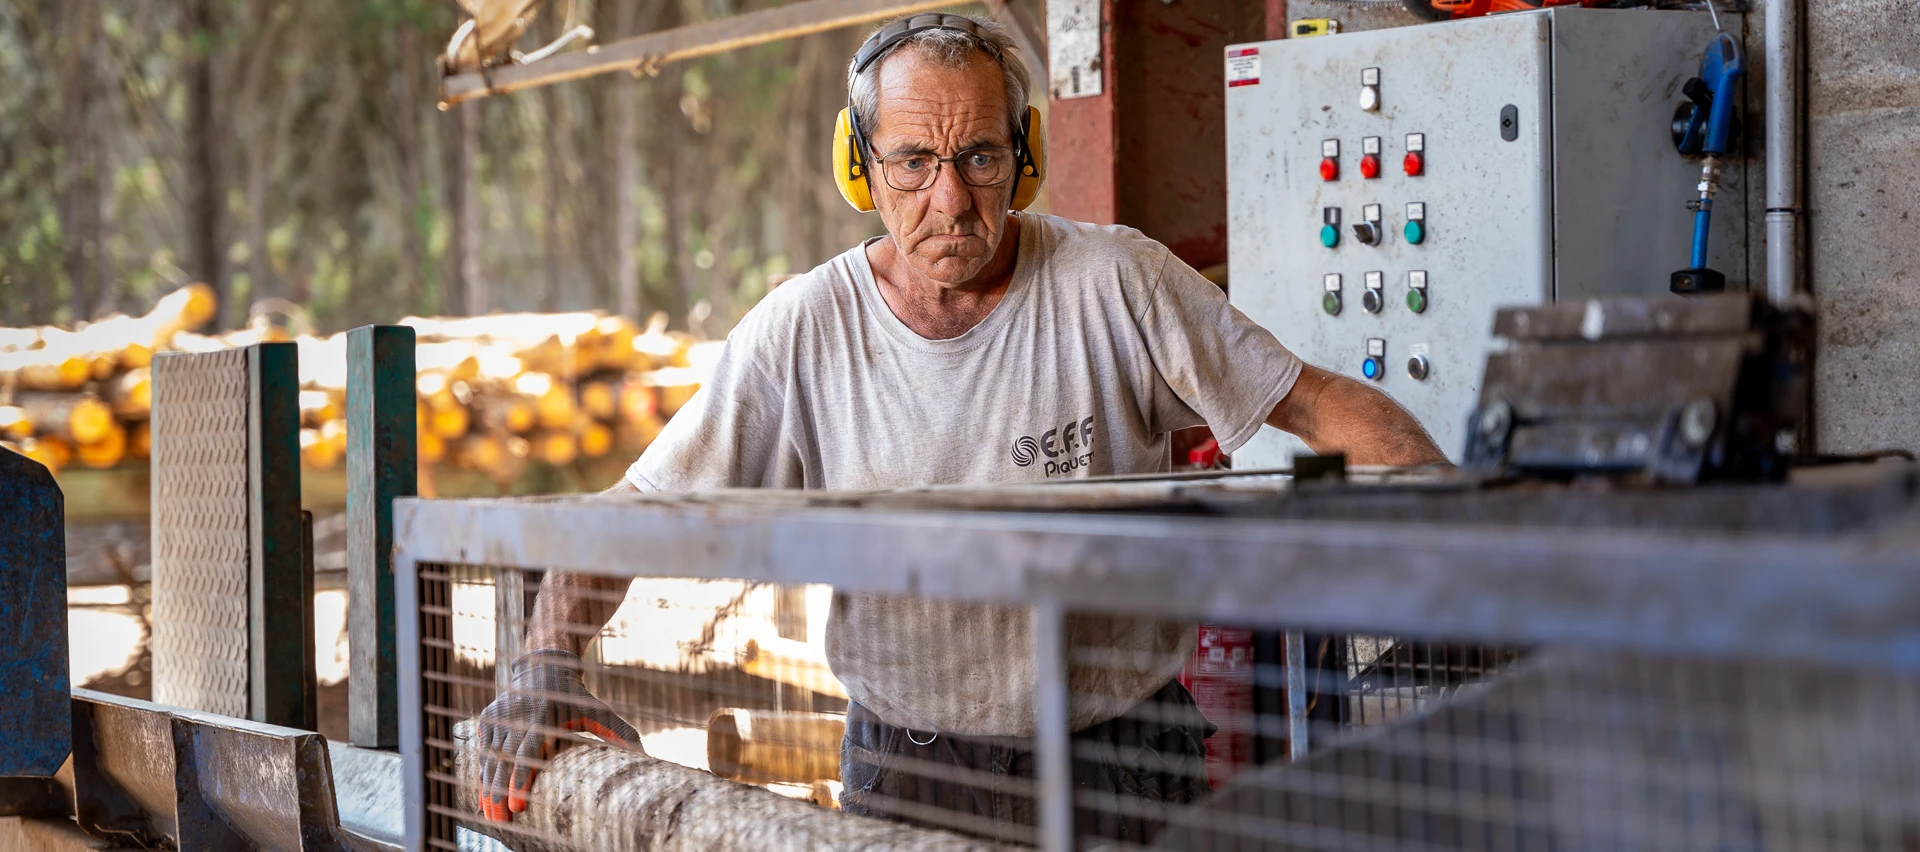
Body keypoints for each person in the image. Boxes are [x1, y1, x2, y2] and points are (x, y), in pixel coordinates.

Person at [474, 12, 1446, 843]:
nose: (950, 198)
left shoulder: (1117, 283)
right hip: (908, 772)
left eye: (979, 156)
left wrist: (1478, 544)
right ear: (863, 170)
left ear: (1021, 159)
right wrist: (545, 662)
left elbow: (1313, 400)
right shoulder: (806, 328)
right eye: (914, 161)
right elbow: (643, 509)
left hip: (1121, 767)